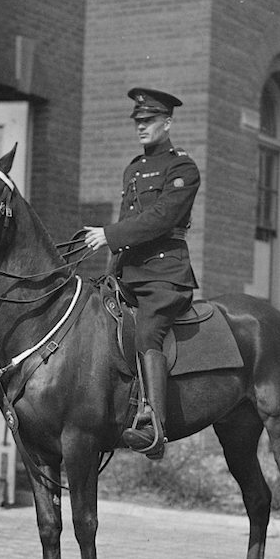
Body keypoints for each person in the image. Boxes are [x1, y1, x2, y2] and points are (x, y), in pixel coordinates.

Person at [84, 87, 201, 460]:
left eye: (149, 121)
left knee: (148, 330)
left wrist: (109, 236)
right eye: (138, 121)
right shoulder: (134, 168)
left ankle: (154, 424)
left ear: (167, 123)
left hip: (165, 277)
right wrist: (110, 269)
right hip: (129, 276)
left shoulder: (182, 167)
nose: (142, 127)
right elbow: (128, 221)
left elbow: (161, 218)